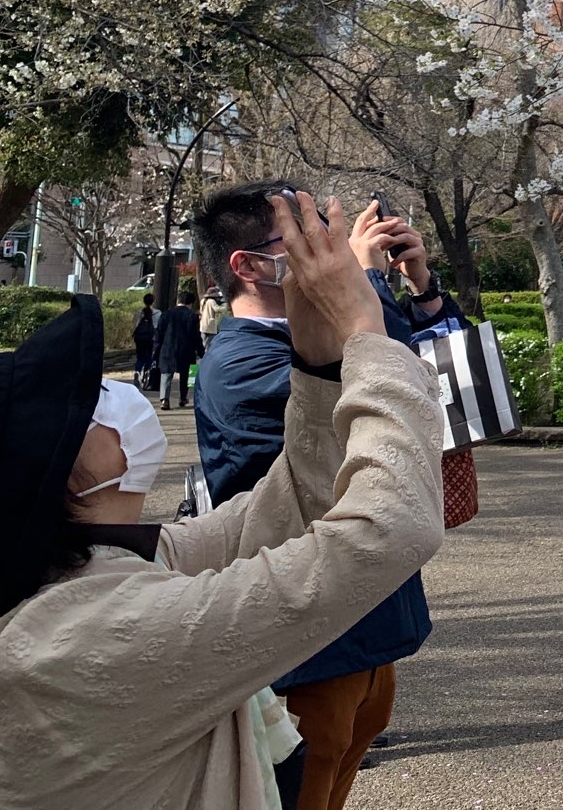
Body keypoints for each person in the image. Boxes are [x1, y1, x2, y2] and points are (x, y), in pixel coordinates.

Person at [0, 194, 445, 810]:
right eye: (82, 412)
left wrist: (323, 357)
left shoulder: (82, 572)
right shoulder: (102, 633)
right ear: (49, 479)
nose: (110, 401)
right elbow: (389, 529)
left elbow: (288, 504)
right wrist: (365, 333)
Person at [193, 182, 437, 810]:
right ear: (247, 266)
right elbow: (373, 382)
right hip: (308, 635)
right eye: (302, 237)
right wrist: (362, 288)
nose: (324, 249)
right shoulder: (240, 363)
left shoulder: (302, 337)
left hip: (365, 614)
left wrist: (420, 289)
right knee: (300, 787)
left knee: (338, 779)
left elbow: (429, 387)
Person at [153, 288, 201, 409]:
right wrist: (201, 351)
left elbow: (159, 334)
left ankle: (164, 399)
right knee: (188, 374)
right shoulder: (192, 316)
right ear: (190, 303)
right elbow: (196, 336)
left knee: (166, 374)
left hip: (167, 349)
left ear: (178, 301)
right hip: (186, 350)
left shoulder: (166, 314)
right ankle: (183, 397)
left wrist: (156, 350)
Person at [131, 292, 156, 388]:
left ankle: (137, 371)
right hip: (150, 338)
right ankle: (146, 373)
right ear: (153, 301)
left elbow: (135, 325)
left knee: (140, 356)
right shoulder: (157, 313)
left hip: (139, 338)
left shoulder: (139, 312)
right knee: (149, 356)